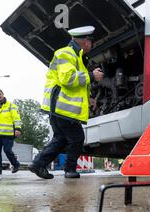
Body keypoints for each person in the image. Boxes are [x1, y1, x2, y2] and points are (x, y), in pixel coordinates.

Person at [28, 26, 104, 179]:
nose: (92, 45)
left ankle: (38, 164)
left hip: (59, 107)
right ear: (85, 42)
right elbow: (68, 79)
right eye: (91, 42)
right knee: (77, 138)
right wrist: (91, 75)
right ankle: (69, 170)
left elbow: (76, 84)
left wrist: (89, 98)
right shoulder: (65, 53)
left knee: (60, 139)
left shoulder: (75, 56)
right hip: (61, 107)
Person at [0, 89, 22, 175]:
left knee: (7, 150)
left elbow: (16, 118)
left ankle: (16, 164)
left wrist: (18, 129)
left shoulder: (11, 105)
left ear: (3, 94)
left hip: (8, 134)